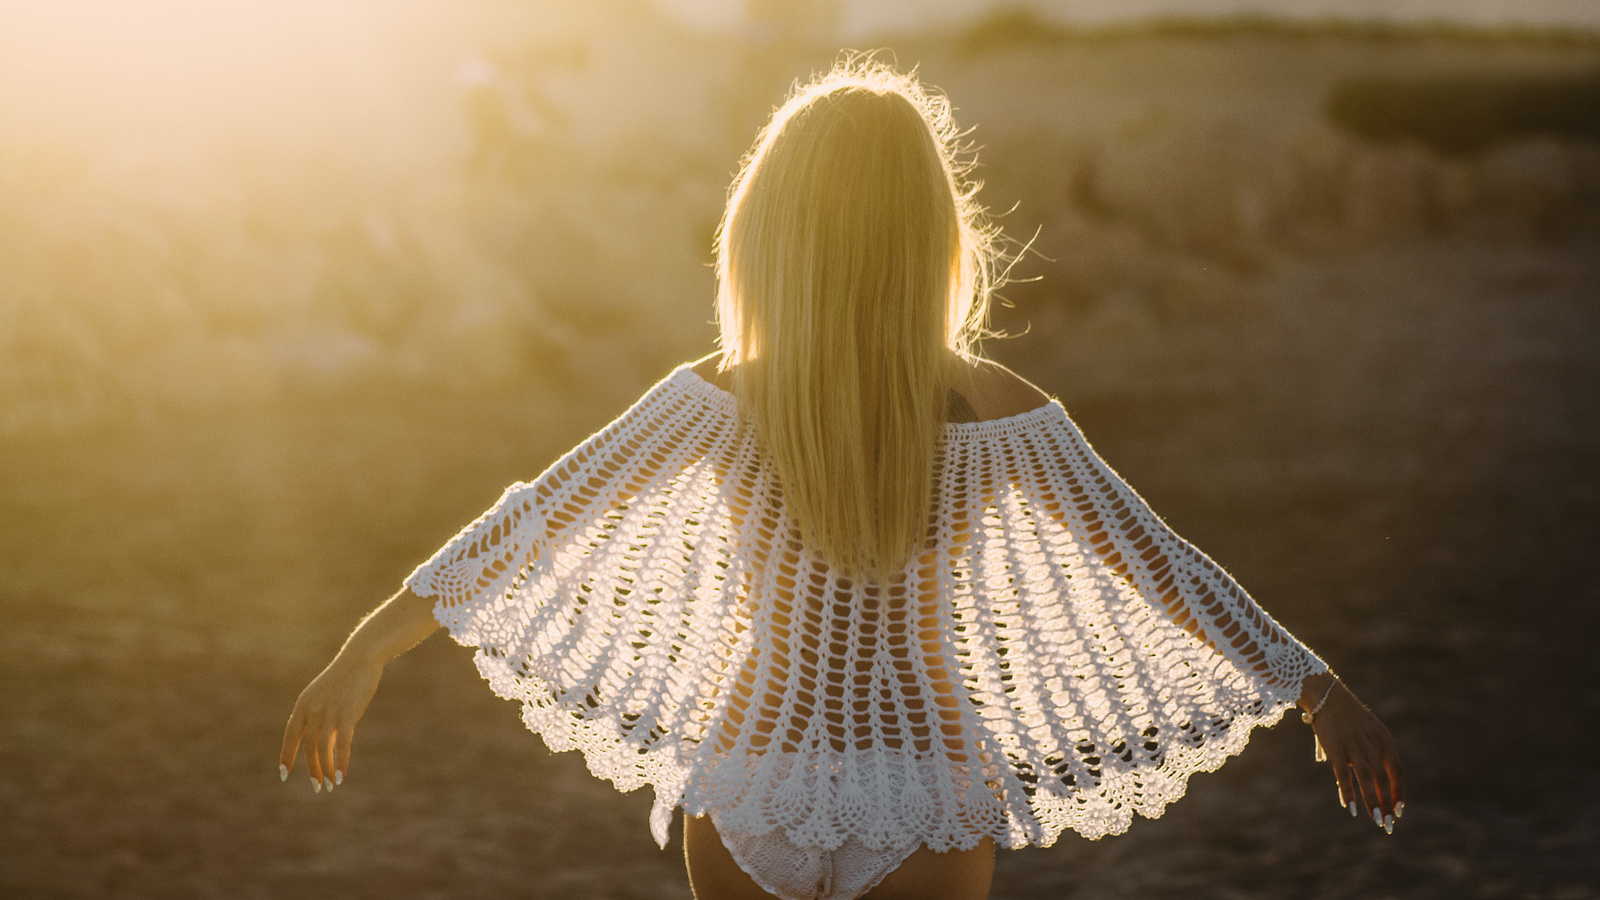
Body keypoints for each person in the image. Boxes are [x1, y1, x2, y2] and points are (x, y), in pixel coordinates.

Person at [281, 58, 1403, 900]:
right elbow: (1159, 568)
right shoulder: (995, 407)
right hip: (923, 783)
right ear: (931, 236)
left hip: (750, 777)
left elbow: (532, 525)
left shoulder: (719, 397)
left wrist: (362, 650)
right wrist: (1316, 688)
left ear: (768, 235)